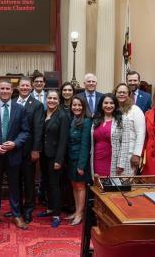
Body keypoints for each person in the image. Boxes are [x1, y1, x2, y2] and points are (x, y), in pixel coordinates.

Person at [0, 80, 30, 229]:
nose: (5, 91)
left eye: (7, 88)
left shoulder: (20, 109)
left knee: (14, 186)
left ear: (12, 90)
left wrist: (15, 143)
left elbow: (25, 131)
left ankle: (16, 215)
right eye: (2, 88)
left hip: (13, 154)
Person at [35, 90, 69, 228]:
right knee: (47, 182)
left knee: (55, 185)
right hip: (44, 155)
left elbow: (63, 140)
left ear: (58, 100)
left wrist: (59, 160)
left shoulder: (62, 116)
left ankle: (56, 214)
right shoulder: (43, 114)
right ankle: (49, 208)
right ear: (46, 99)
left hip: (55, 156)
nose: (52, 101)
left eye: (55, 98)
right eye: (49, 98)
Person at [15, 77, 44, 224]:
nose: (25, 88)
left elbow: (38, 129)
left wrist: (36, 149)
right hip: (13, 150)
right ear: (18, 87)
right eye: (22, 85)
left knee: (29, 181)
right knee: (15, 181)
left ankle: (28, 210)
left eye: (27, 85)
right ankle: (17, 209)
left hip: (29, 150)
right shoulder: (12, 102)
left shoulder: (37, 105)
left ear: (31, 87)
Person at [91, 94, 130, 177]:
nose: (108, 106)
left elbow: (125, 143)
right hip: (97, 159)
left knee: (114, 187)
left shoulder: (123, 119)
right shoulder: (96, 119)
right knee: (99, 187)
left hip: (114, 161)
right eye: (106, 103)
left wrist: (121, 164)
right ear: (101, 105)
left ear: (115, 105)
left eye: (111, 103)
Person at [66, 96, 91, 226]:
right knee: (74, 186)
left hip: (80, 160)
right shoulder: (72, 120)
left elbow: (85, 145)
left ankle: (80, 213)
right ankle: (77, 211)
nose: (76, 107)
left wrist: (81, 165)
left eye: (79, 105)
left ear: (84, 107)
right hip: (70, 159)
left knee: (80, 186)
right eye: (74, 105)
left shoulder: (86, 121)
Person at [114, 83, 145, 175]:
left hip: (129, 154)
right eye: (119, 92)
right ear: (115, 94)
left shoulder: (135, 110)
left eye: (124, 92)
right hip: (114, 153)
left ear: (129, 95)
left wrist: (136, 154)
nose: (122, 94)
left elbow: (141, 133)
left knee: (125, 183)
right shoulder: (113, 109)